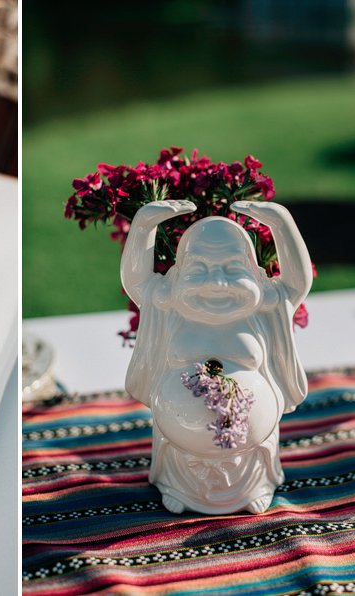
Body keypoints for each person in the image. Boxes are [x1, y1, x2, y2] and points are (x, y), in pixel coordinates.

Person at [121, 200, 313, 514]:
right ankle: (177, 488)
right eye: (199, 271)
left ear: (254, 273)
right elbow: (137, 282)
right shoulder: (168, 307)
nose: (217, 283)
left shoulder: (265, 308)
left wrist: (282, 224)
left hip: (250, 455)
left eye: (233, 270)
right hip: (181, 450)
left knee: (252, 467)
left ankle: (255, 487)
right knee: (182, 465)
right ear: (178, 274)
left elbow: (297, 283)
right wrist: (143, 225)